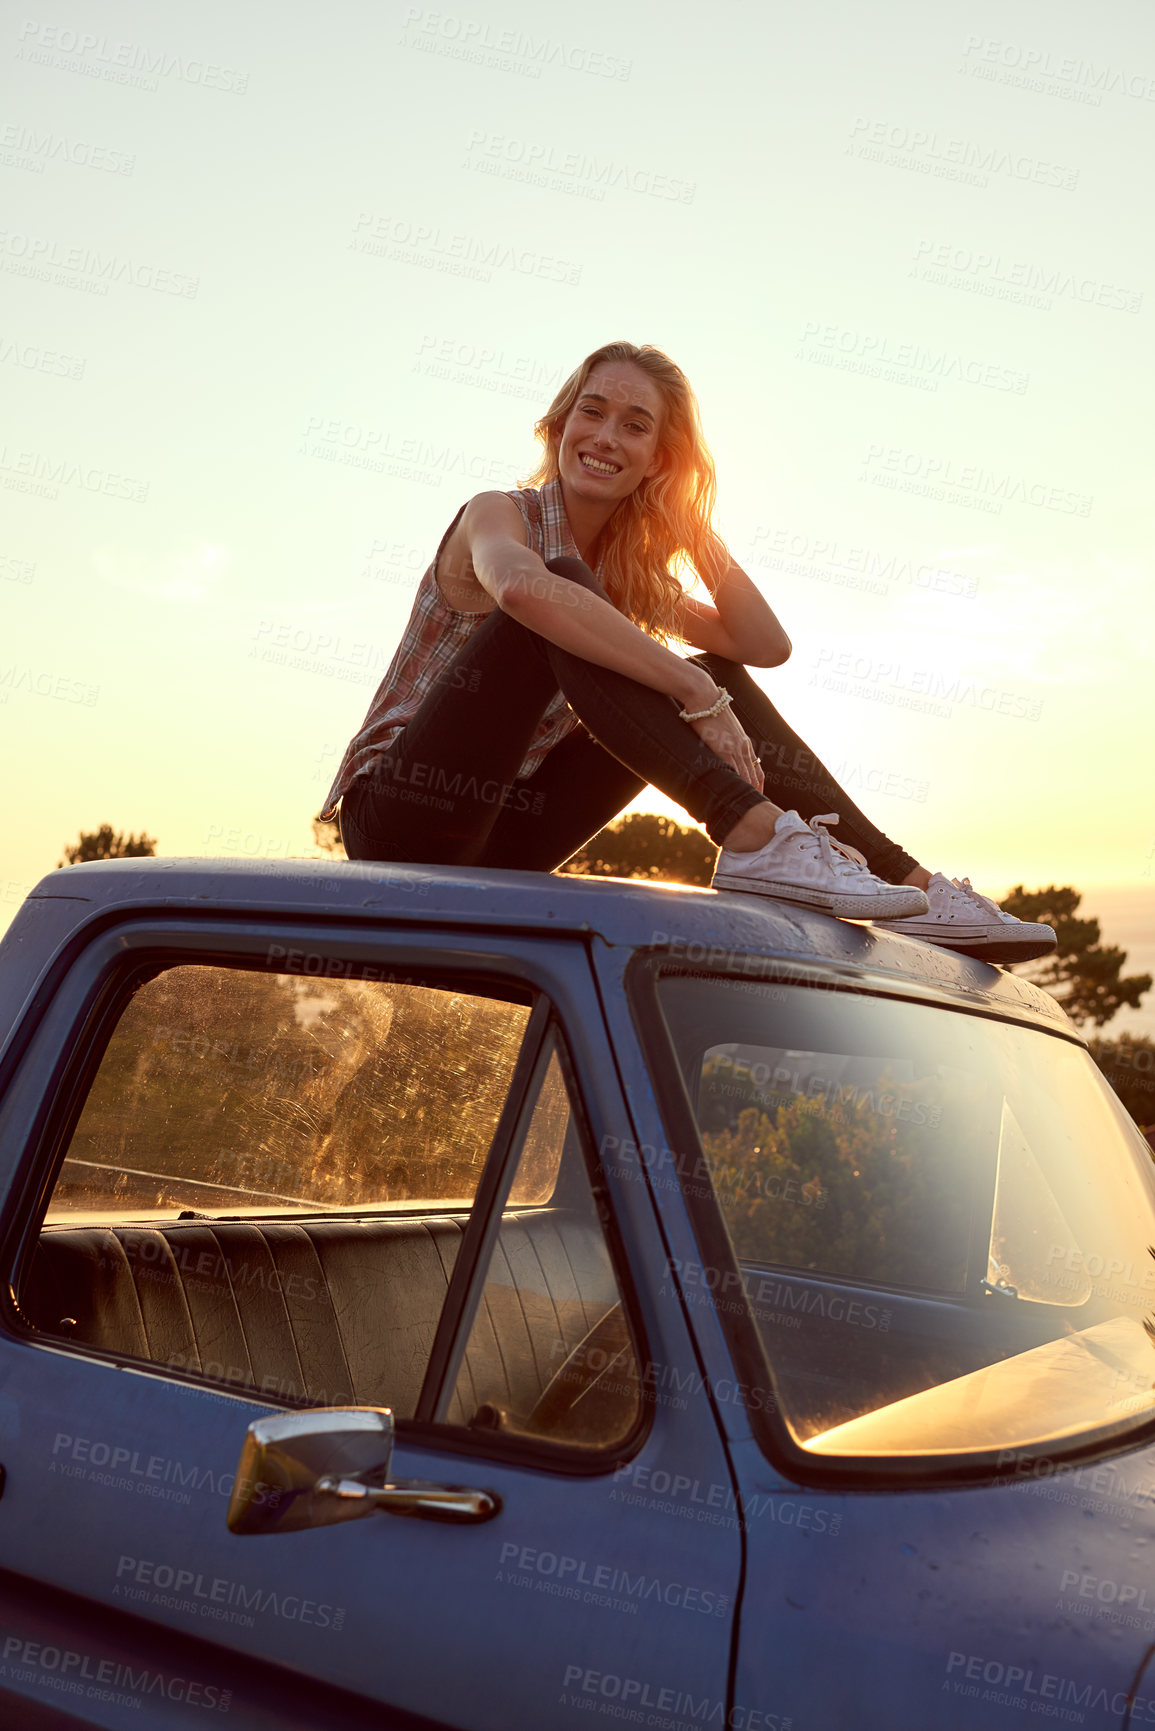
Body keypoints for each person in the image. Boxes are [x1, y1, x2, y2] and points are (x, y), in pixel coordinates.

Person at [319, 342, 1055, 964]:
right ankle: (750, 832)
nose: (606, 435)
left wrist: (690, 526)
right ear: (558, 424)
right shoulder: (499, 513)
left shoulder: (629, 574)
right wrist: (697, 700)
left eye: (635, 427)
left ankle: (912, 886)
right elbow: (519, 589)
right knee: (572, 595)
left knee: (700, 664)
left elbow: (763, 645)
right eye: (593, 411)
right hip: (401, 820)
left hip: (508, 838)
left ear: (656, 460)